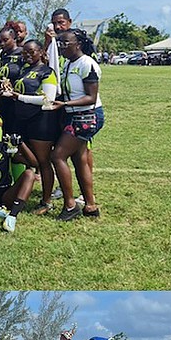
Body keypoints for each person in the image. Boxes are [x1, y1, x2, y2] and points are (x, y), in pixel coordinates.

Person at [50, 30, 103, 220]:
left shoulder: (87, 64)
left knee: (58, 156)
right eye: (60, 43)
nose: (62, 46)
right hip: (75, 116)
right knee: (79, 159)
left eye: (65, 43)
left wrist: (64, 104)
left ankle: (70, 205)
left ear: (78, 44)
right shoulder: (68, 64)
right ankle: (90, 206)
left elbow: (91, 97)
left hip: (87, 116)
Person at [2, 40, 59, 216]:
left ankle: (47, 201)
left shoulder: (47, 72)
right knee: (19, 156)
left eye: (31, 52)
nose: (27, 55)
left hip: (41, 121)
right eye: (25, 52)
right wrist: (9, 92)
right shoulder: (24, 70)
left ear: (41, 51)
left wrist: (18, 96)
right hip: (23, 121)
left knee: (43, 162)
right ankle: (24, 188)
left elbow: (47, 99)